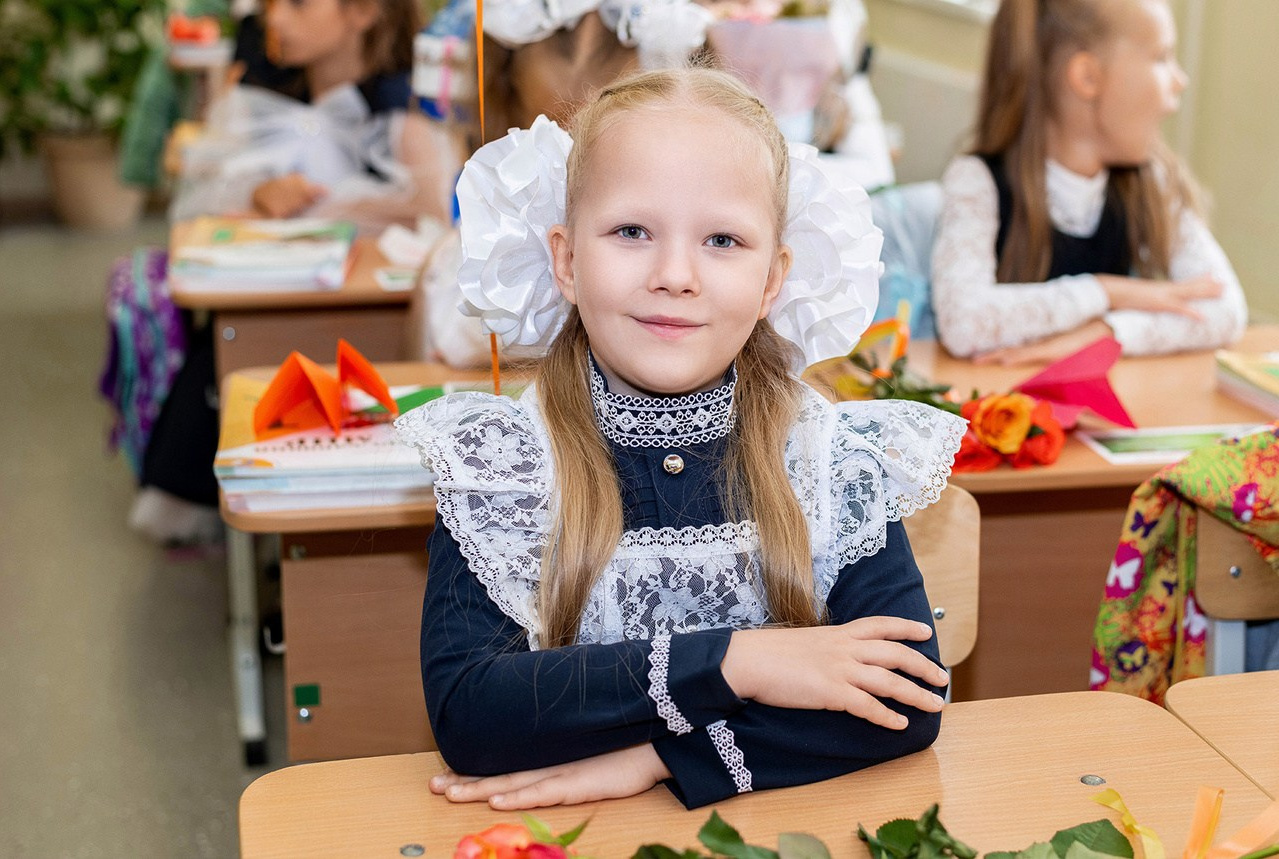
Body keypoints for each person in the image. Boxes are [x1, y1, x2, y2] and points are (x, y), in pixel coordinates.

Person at [395, 67, 965, 811]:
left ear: (772, 279)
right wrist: (739, 662)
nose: (674, 275)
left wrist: (662, 758)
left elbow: (906, 697)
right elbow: (472, 715)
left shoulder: (827, 457)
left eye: (722, 239)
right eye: (632, 232)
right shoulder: (500, 464)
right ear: (566, 259)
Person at [115, 0, 436, 543]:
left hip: (373, 332)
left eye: (297, 3)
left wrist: (332, 209)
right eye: (269, 5)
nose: (275, 19)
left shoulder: (408, 110)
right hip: (267, 311)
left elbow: (435, 211)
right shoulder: (257, 97)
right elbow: (200, 207)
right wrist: (257, 193)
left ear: (363, 11)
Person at [930, 0, 1247, 365]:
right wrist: (1108, 291)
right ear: (1088, 77)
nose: (1180, 80)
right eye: (1161, 57)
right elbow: (963, 323)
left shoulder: (1152, 182)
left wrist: (1108, 332)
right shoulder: (976, 181)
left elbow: (1226, 310)